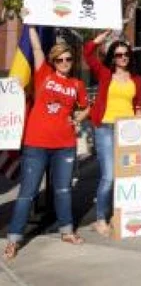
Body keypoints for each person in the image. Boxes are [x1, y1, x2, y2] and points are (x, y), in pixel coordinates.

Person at [4, 27, 90, 260]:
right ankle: (13, 239)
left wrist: (76, 119)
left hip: (65, 145)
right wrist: (31, 24)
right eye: (60, 59)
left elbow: (86, 107)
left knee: (63, 190)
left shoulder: (77, 85)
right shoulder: (44, 74)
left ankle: (66, 231)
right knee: (27, 193)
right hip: (36, 144)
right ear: (53, 61)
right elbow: (36, 48)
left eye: (69, 58)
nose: (65, 62)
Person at [84, 31, 141, 237]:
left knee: (126, 175)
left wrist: (140, 127)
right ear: (112, 57)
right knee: (109, 176)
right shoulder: (104, 73)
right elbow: (88, 54)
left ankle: (120, 215)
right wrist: (100, 38)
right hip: (105, 128)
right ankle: (101, 218)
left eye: (125, 54)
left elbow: (137, 106)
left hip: (128, 131)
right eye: (118, 55)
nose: (123, 57)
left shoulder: (136, 79)